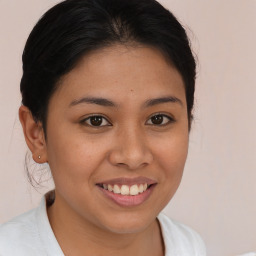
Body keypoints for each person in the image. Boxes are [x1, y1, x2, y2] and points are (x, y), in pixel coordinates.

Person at [0, 0, 206, 255]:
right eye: (95, 120)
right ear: (36, 134)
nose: (132, 156)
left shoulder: (191, 247)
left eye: (158, 119)